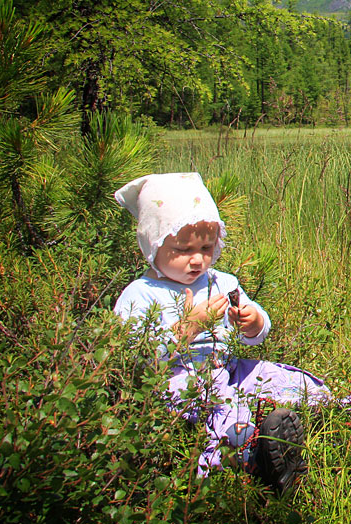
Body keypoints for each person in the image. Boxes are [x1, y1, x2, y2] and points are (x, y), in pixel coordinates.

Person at [112, 172, 330, 489]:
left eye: (205, 247)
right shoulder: (141, 294)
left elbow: (253, 330)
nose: (198, 259)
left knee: (278, 378)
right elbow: (134, 355)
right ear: (153, 243)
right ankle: (254, 454)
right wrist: (189, 327)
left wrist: (252, 322)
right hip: (177, 378)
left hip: (228, 368)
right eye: (183, 249)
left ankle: (299, 417)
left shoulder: (221, 282)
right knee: (217, 407)